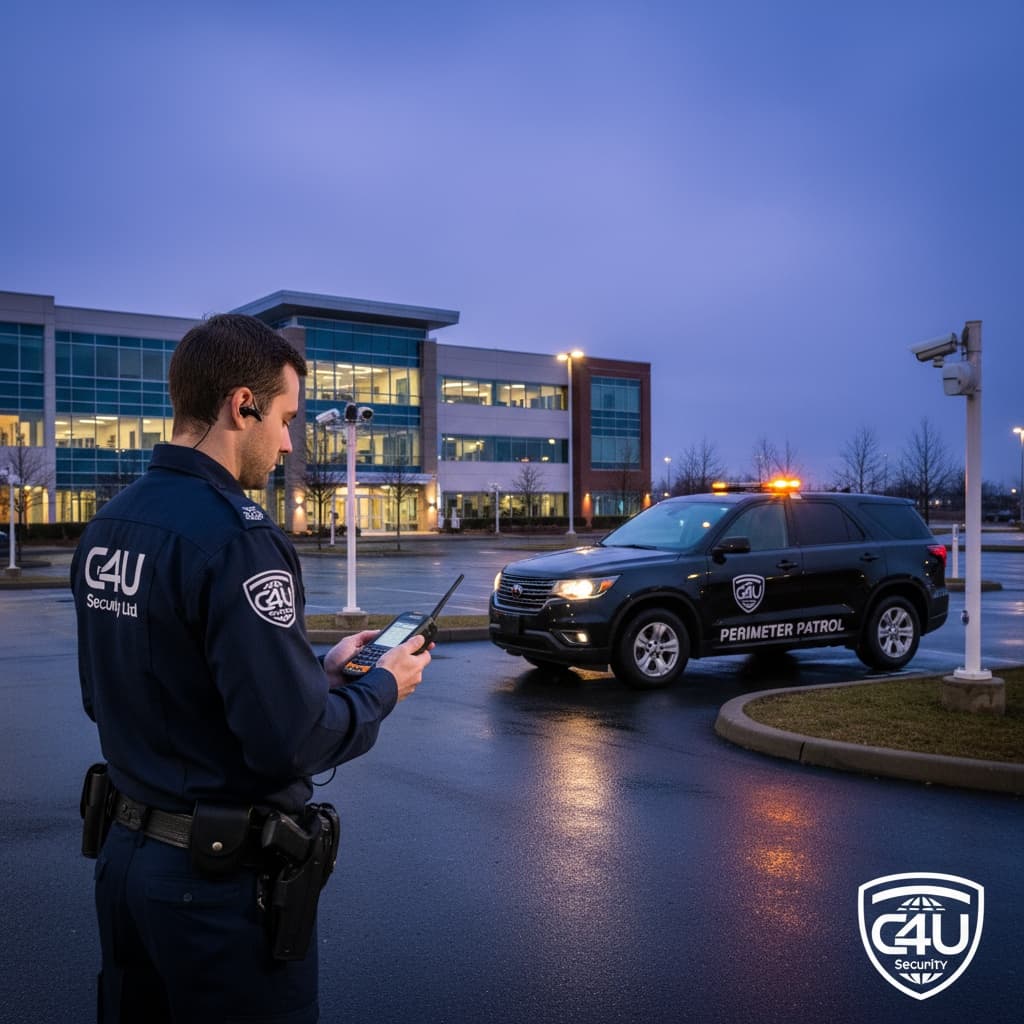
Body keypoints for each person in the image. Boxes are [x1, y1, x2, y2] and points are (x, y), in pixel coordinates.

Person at [71, 313, 430, 1024]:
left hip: (125, 868)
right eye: (287, 419)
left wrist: (316, 674)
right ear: (243, 405)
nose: (290, 442)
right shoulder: (237, 538)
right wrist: (381, 688)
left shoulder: (112, 523)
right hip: (212, 893)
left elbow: (123, 692)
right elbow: (287, 742)